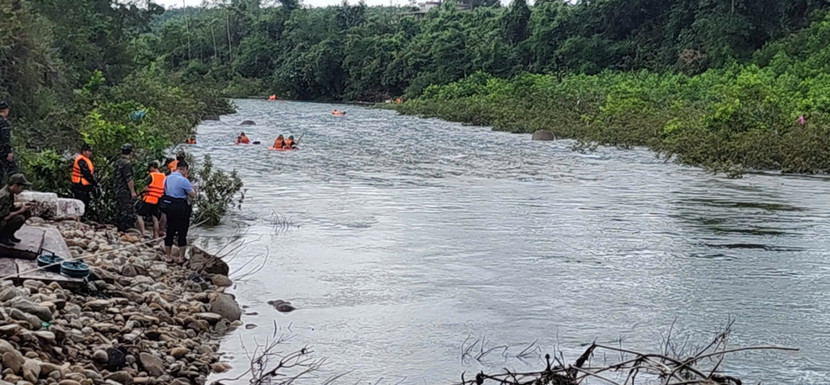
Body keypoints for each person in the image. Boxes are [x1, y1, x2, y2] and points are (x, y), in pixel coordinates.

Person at [161, 160, 196, 264]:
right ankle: (181, 258)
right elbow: (192, 195)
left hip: (169, 207)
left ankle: (168, 256)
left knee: (170, 231)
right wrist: (194, 189)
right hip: (181, 208)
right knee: (182, 232)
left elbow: (166, 190)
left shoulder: (167, 178)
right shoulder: (184, 180)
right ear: (184, 169)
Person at [0, 174, 34, 246]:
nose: (22, 190)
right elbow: (5, 216)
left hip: (3, 217)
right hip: (2, 219)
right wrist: (21, 210)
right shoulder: (5, 196)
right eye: (21, 187)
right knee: (20, 218)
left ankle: (10, 234)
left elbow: (9, 208)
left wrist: (22, 206)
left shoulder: (9, 192)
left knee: (26, 211)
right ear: (15, 185)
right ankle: (3, 237)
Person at [136, 161, 165, 238]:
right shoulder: (164, 176)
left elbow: (146, 188)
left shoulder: (151, 176)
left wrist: (140, 193)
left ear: (152, 167)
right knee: (155, 217)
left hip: (149, 198)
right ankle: (155, 235)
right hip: (158, 199)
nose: (149, 171)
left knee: (139, 215)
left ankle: (143, 233)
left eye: (149, 169)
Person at [113, 143, 137, 232]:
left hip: (117, 189)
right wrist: (133, 192)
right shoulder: (126, 164)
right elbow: (129, 179)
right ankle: (126, 229)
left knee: (120, 209)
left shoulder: (118, 162)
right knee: (127, 210)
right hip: (124, 191)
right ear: (130, 153)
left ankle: (120, 229)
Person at [71, 143, 99, 213]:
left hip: (84, 184)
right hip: (80, 184)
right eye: (88, 151)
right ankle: (79, 217)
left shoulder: (86, 160)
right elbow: (86, 173)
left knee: (85, 201)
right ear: (84, 151)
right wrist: (95, 183)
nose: (90, 153)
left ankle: (82, 217)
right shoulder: (81, 160)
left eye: (90, 151)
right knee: (82, 202)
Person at [0, 102, 18, 184]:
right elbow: (5, 138)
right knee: (12, 170)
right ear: (4, 111)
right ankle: (14, 188)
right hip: (2, 151)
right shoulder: (3, 123)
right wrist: (9, 152)